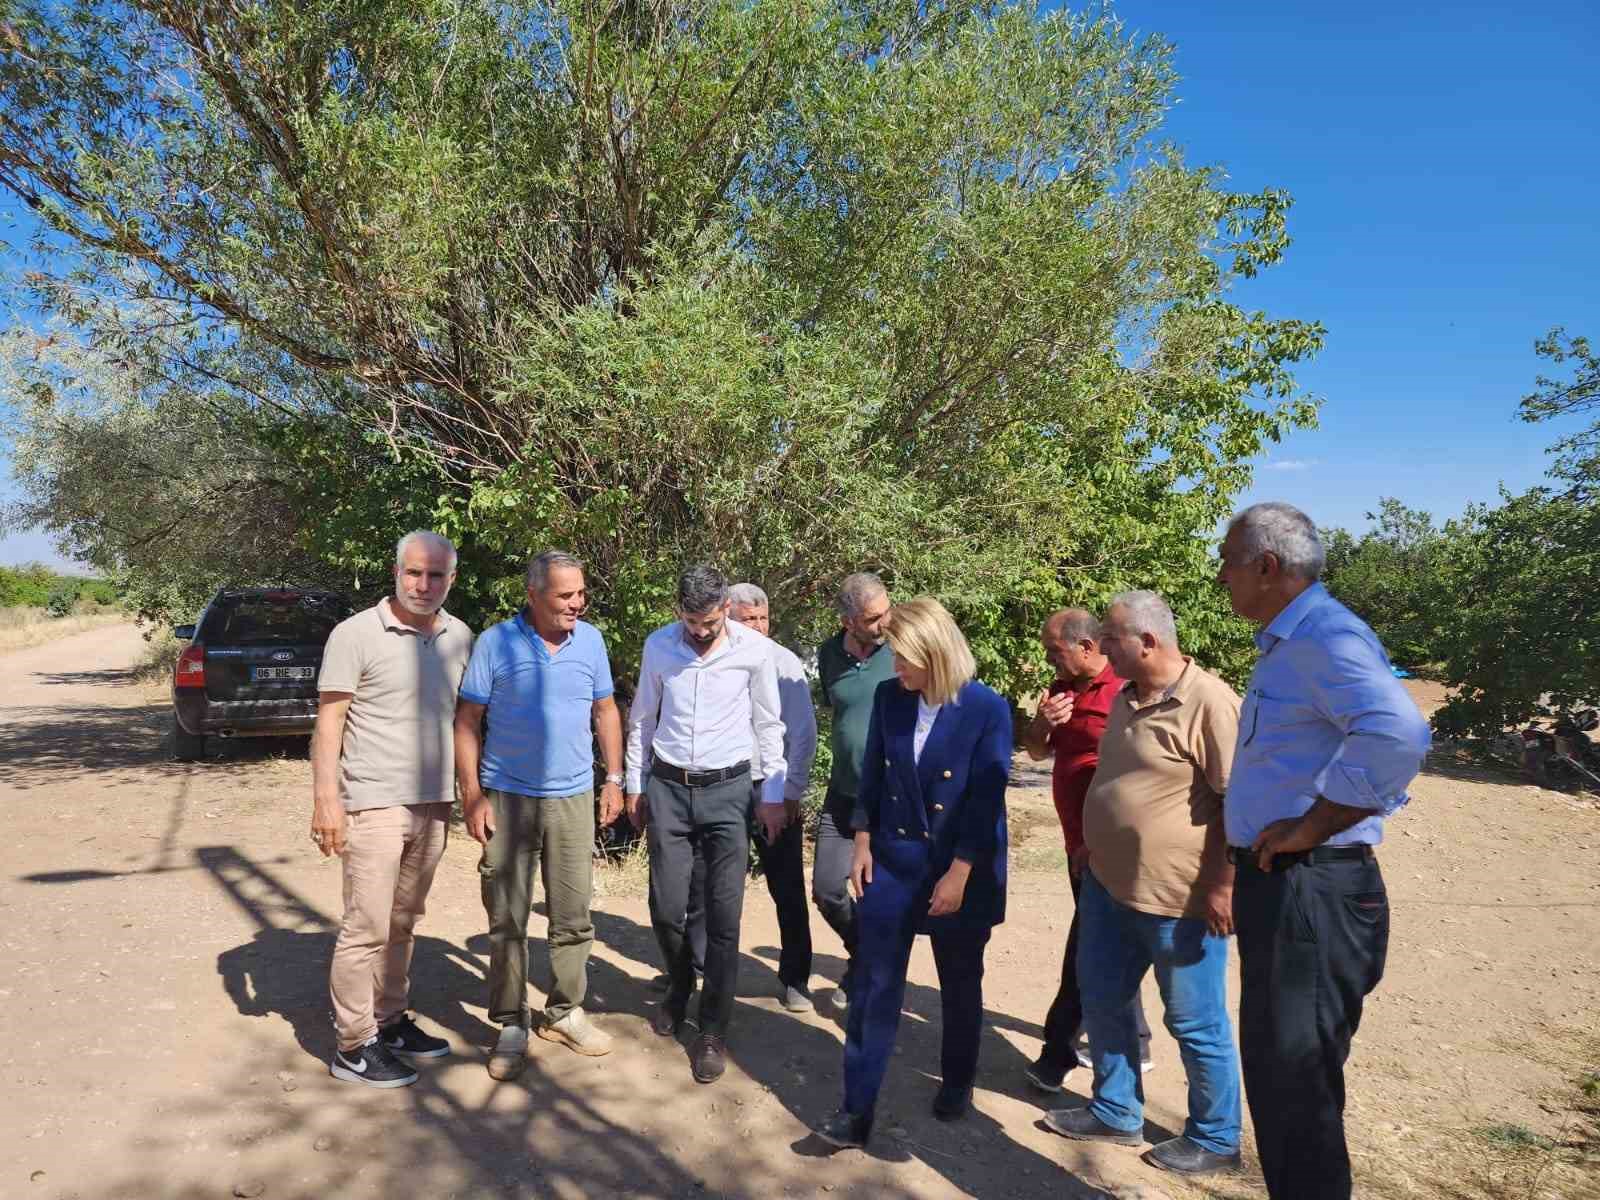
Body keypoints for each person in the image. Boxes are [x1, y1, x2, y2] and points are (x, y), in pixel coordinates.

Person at [1216, 502, 1430, 1200]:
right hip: (1287, 886)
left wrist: (1313, 825)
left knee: (1296, 1091)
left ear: (1267, 567)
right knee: (1283, 1085)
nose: (1221, 577)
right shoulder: (1291, 642)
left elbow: (1398, 735)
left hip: (1312, 887)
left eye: (1228, 561)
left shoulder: (1326, 638)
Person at [1043, 591, 1242, 1177]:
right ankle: (1115, 1109)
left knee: (1195, 1022)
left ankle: (1216, 1136)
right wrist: (1089, 842)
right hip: (1108, 885)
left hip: (1177, 899)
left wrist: (1225, 886)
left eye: (1112, 637)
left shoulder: (1210, 702)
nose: (1103, 646)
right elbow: (1115, 779)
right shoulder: (1128, 699)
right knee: (1103, 999)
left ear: (1148, 642)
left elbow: (1239, 803)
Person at [815, 597, 1011, 1148]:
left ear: (936, 653)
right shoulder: (889, 698)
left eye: (904, 658)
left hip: (960, 865)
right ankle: (856, 1110)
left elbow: (984, 800)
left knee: (959, 981)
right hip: (893, 859)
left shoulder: (986, 708)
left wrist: (960, 873)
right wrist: (860, 840)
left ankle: (957, 1081)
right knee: (875, 985)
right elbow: (871, 775)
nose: (894, 667)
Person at [310, 531, 474, 1088]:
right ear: (395, 572)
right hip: (372, 802)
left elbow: (463, 723)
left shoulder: (460, 636)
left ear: (451, 579)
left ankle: (389, 1020)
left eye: (436, 576)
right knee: (366, 927)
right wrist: (326, 800)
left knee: (404, 922)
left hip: (434, 801)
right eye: (414, 573)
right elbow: (329, 722)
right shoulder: (355, 634)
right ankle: (353, 1047)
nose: (423, 585)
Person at [454, 550, 625, 1080]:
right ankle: (510, 1022)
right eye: (566, 594)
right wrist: (473, 795)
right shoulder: (496, 643)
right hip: (507, 796)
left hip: (573, 797)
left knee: (573, 914)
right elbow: (467, 719)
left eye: (581, 593)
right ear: (533, 595)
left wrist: (613, 779)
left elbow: (605, 710)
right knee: (508, 916)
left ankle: (565, 1012)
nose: (578, 602)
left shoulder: (591, 640)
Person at [625, 564, 788, 1084]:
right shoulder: (659, 646)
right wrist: (635, 783)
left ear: (724, 610)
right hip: (669, 787)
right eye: (692, 621)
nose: (700, 632)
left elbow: (769, 722)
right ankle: (678, 988)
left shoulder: (753, 651)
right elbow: (643, 719)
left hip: (730, 790)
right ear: (679, 611)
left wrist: (773, 795)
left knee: (724, 914)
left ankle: (713, 1027)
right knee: (667, 907)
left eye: (710, 622)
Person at [1018, 609, 1151, 1093]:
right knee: (1108, 941)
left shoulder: (1125, 688)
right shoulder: (1059, 688)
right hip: (1076, 843)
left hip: (1108, 846)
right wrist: (1042, 722)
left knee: (1088, 948)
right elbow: (1035, 752)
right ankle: (1136, 1036)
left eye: (1056, 650)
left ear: (1087, 647)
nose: (1050, 658)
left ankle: (1056, 1055)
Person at [679, 583, 819, 1011]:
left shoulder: (782, 661)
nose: (757, 627)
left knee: (785, 883)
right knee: (703, 878)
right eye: (747, 619)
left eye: (763, 618)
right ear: (727, 618)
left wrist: (791, 789)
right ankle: (696, 967)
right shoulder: (714, 655)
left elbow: (803, 732)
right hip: (722, 784)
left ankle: (795, 977)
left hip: (770, 786)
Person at [813, 572, 896, 1011]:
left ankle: (870, 978)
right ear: (848, 621)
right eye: (873, 617)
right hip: (842, 794)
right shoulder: (829, 655)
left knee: (876, 895)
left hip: (888, 802)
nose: (886, 621)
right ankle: (864, 957)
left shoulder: (904, 649)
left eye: (886, 610)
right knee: (827, 888)